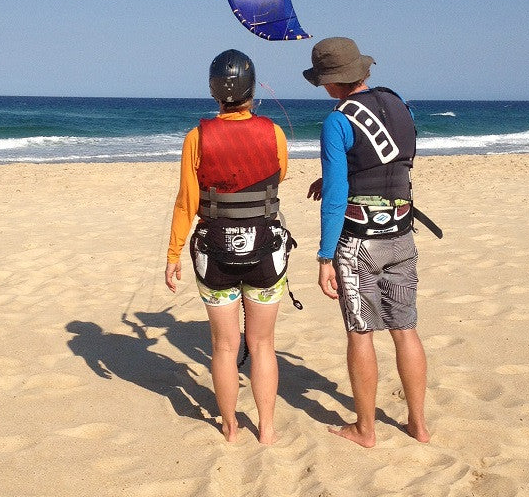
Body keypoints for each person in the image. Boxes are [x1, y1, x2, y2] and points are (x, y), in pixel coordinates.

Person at [304, 37, 430, 448]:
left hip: (359, 242)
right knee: (405, 330)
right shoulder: (399, 105)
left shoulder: (337, 120)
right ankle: (418, 424)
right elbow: (390, 162)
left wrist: (325, 257)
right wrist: (336, 176)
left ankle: (365, 429)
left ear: (330, 81)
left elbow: (336, 198)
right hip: (402, 234)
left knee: (361, 333)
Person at [165, 49, 292, 445]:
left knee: (224, 346)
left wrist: (173, 254)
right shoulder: (273, 133)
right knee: (263, 344)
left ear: (213, 91)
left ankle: (230, 426)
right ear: (252, 91)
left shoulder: (196, 138)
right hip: (265, 253)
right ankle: (266, 429)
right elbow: (279, 175)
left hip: (215, 253)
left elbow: (187, 201)